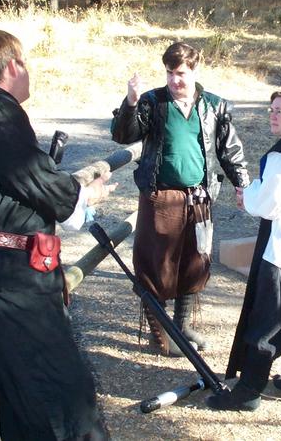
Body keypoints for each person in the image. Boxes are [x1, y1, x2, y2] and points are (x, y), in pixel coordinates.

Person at [0, 29, 115, 440]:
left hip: (7, 278)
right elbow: (37, 179)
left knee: (32, 398)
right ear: (14, 65)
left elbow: (25, 182)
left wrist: (68, 194)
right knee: (53, 396)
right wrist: (82, 195)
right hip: (3, 283)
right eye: (26, 63)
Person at [110, 41, 249, 356]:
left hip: (199, 197)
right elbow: (123, 135)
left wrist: (242, 184)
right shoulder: (152, 102)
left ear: (195, 70)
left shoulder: (214, 105)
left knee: (194, 262)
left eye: (181, 73)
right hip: (160, 196)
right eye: (170, 73)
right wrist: (130, 102)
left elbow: (230, 150)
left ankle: (182, 325)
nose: (175, 80)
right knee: (154, 264)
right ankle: (160, 334)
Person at [207, 89, 281, 412]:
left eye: (280, 111)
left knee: (270, 312)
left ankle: (248, 391)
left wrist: (247, 196)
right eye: (271, 110)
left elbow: (269, 203)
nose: (273, 116)